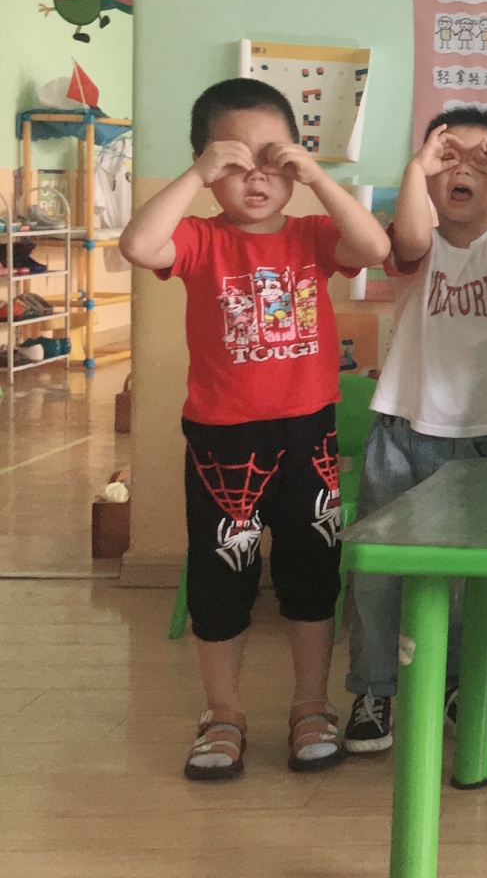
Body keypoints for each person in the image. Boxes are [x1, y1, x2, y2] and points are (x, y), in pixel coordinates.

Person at [120, 77, 391, 781]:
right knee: (221, 581)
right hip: (223, 443)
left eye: (273, 158)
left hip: (308, 435)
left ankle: (311, 706)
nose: (257, 177)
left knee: (311, 575)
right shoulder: (199, 239)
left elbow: (374, 245)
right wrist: (195, 175)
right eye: (233, 162)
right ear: (207, 168)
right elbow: (138, 244)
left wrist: (318, 177)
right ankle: (223, 714)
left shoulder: (311, 235)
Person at [340, 107, 487, 754]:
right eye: (448, 159)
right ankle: (375, 688)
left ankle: (460, 682)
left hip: (479, 440)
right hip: (400, 433)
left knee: (467, 578)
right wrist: (415, 167)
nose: (464, 170)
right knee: (379, 575)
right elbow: (408, 236)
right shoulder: (416, 247)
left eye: (481, 163)